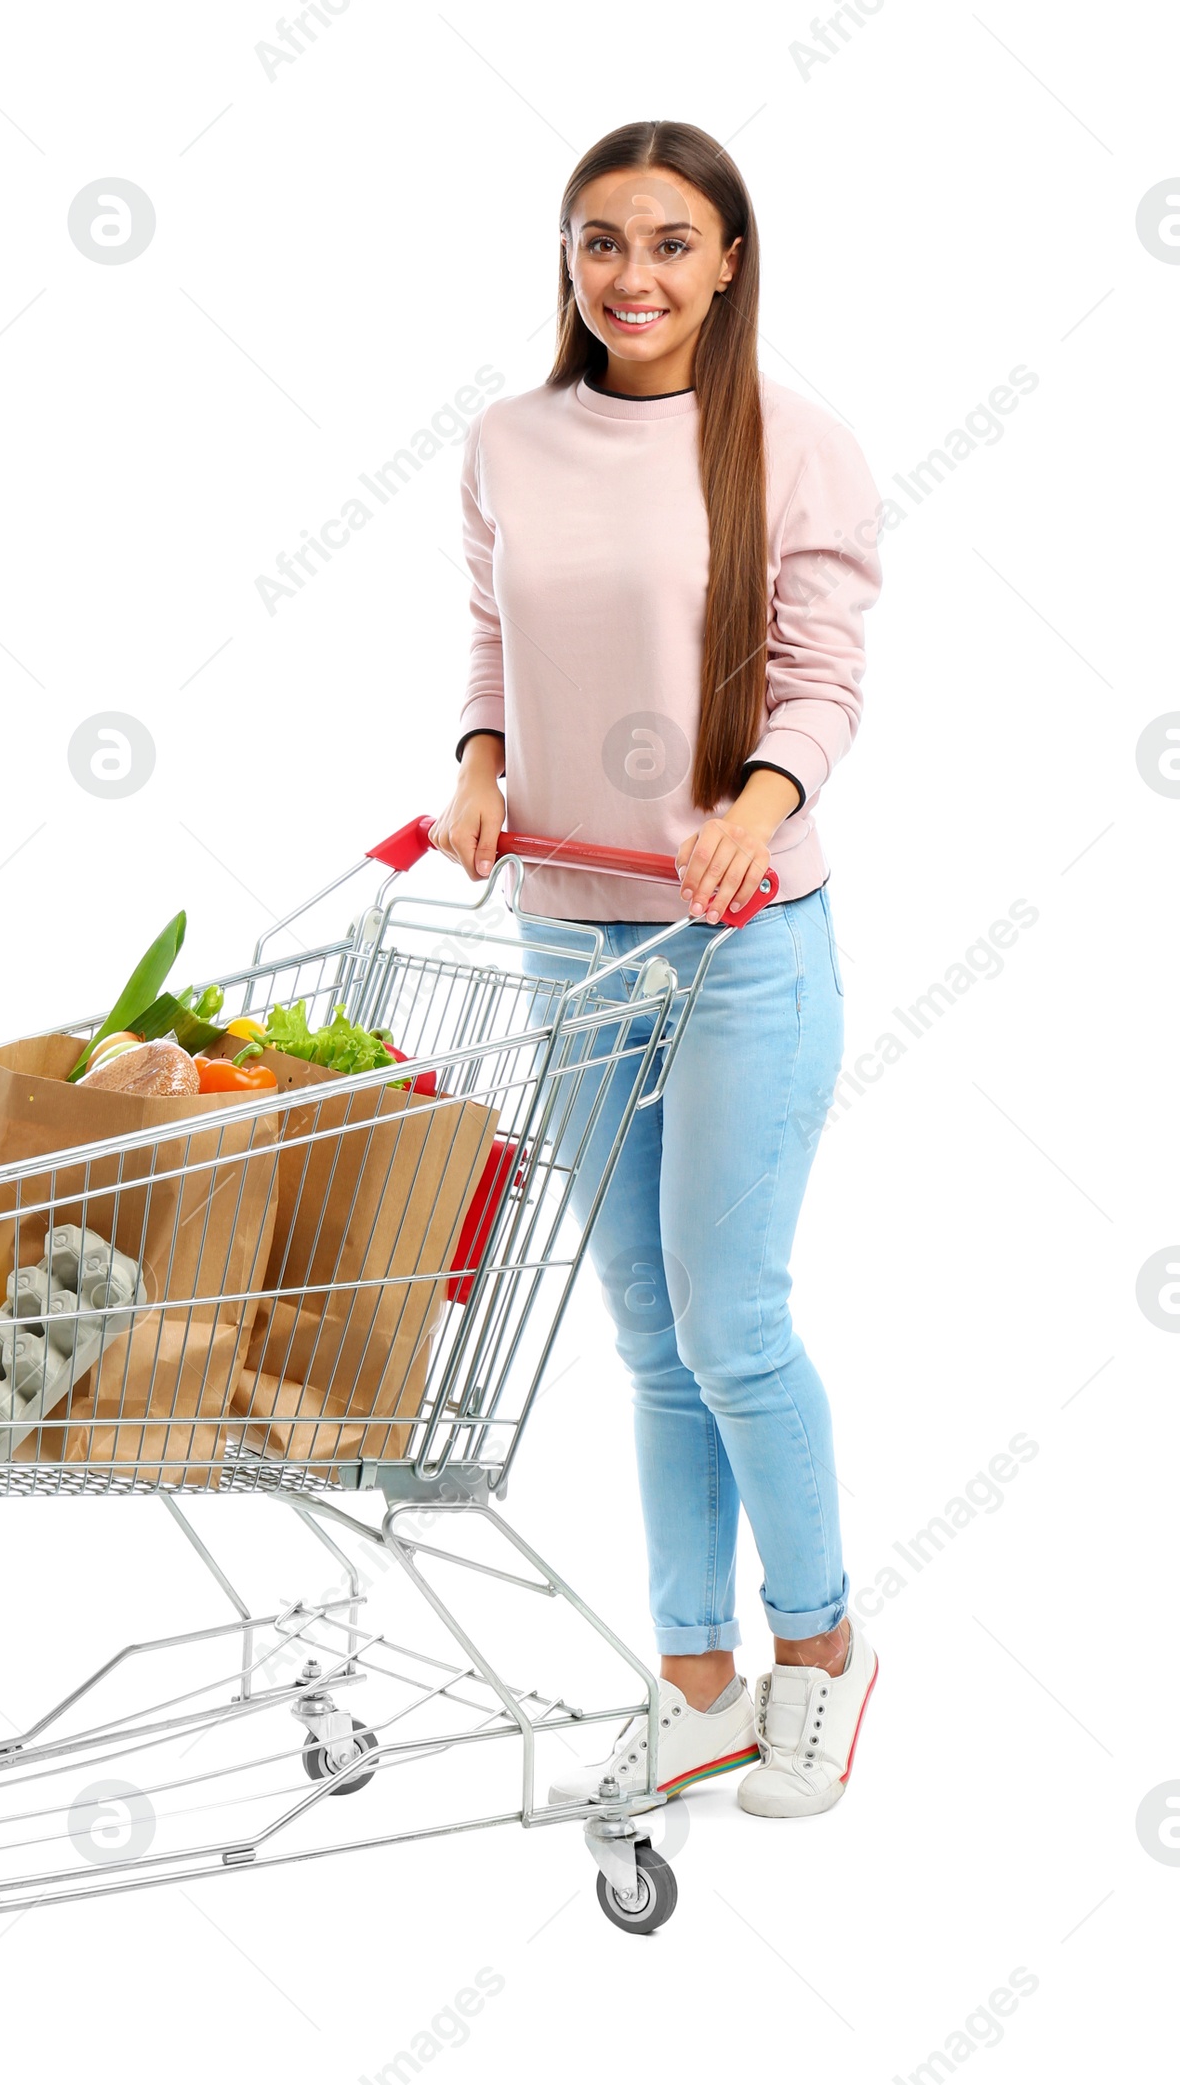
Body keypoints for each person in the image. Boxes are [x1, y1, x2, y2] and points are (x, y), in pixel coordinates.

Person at [430, 120, 883, 1817]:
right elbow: (493, 633)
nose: (633, 277)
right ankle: (695, 1683)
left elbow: (823, 677)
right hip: (565, 932)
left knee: (734, 1321)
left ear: (730, 262)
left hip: (745, 939)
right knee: (643, 1328)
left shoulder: (791, 444)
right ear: (567, 259)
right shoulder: (506, 439)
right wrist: (481, 767)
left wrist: (754, 811)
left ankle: (819, 1657)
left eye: (672, 244)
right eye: (601, 242)